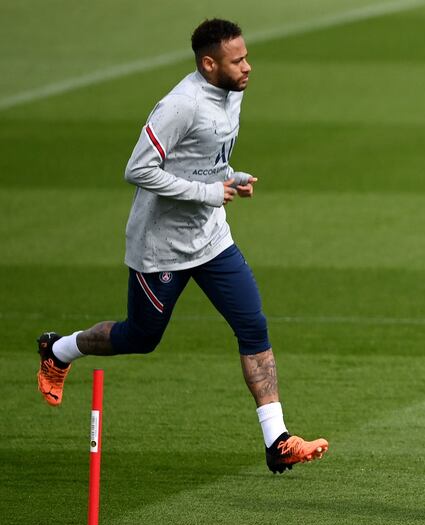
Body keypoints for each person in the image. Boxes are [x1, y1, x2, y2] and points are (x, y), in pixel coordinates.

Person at [36, 18, 328, 474]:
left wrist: (228, 178)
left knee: (253, 326)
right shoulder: (181, 104)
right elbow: (138, 169)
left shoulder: (232, 93)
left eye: (246, 56)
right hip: (161, 247)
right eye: (238, 60)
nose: (248, 67)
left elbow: (204, 159)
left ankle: (278, 441)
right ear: (209, 64)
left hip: (212, 238)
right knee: (141, 337)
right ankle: (58, 351)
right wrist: (207, 193)